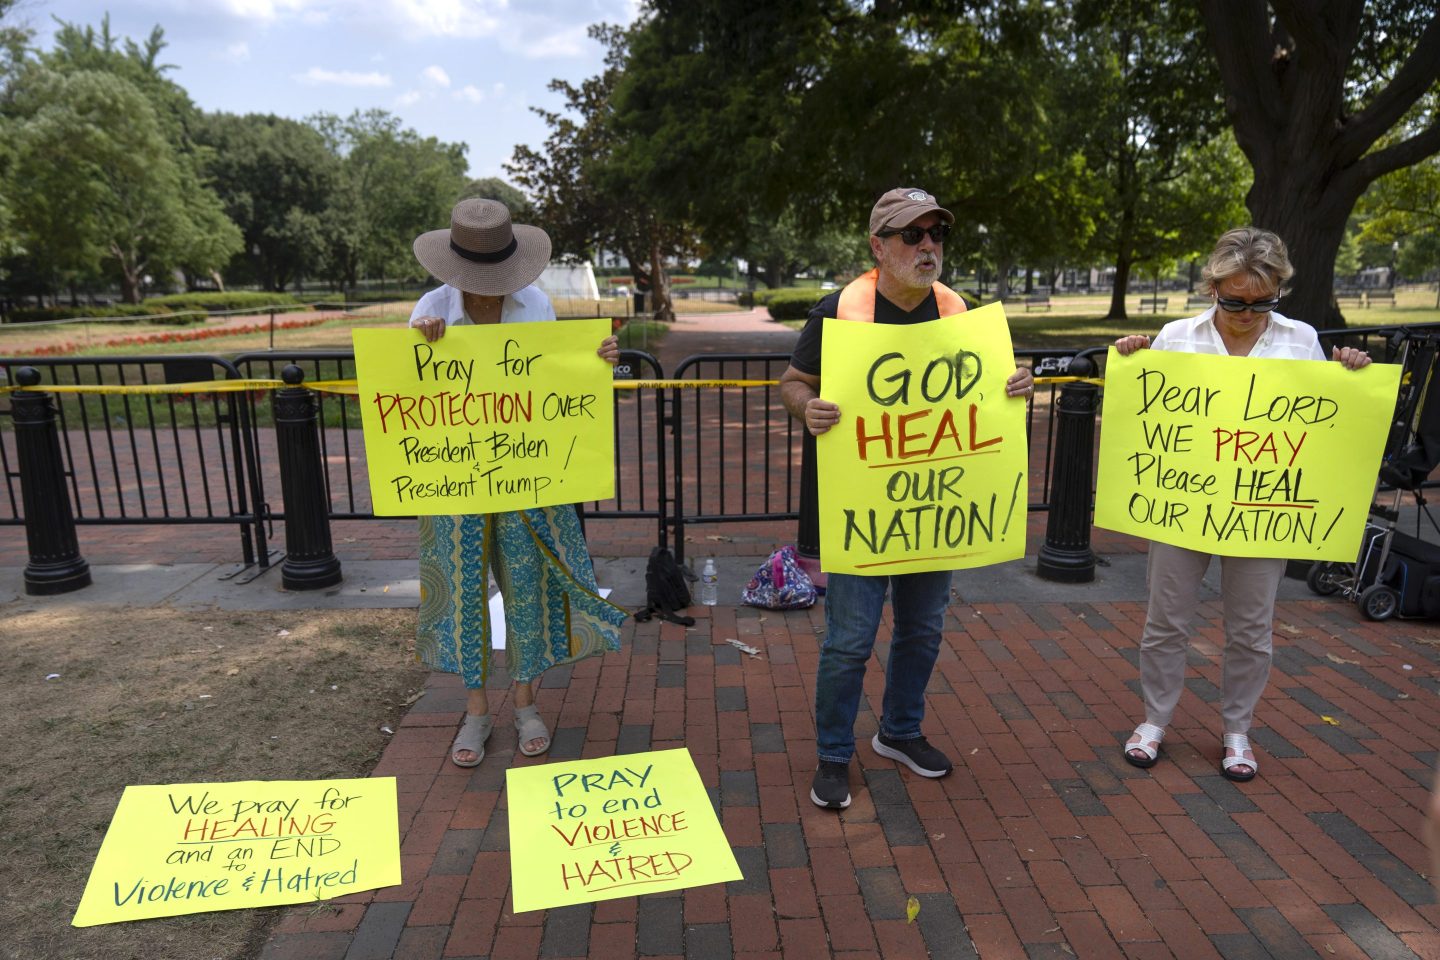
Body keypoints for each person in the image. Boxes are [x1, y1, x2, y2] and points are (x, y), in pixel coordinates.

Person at [779, 187, 1035, 809]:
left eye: (936, 234)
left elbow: (979, 394)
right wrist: (805, 408)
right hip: (863, 510)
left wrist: (1013, 386)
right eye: (911, 235)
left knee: (922, 629)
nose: (927, 247)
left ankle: (899, 732)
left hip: (935, 511)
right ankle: (835, 754)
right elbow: (793, 382)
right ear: (878, 245)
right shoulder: (839, 311)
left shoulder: (955, 311)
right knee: (850, 639)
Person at [1115, 226, 1371, 782]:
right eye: (1234, 300)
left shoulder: (1300, 339)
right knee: (1165, 621)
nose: (1247, 312)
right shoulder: (1177, 336)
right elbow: (1146, 414)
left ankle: (1237, 730)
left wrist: (1349, 372)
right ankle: (1154, 721)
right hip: (1184, 504)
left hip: (1261, 513)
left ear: (1278, 290)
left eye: (1262, 301)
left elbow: (1323, 424)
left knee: (1252, 629)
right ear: (1212, 288)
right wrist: (1135, 358)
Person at [408, 198, 628, 767]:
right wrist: (420, 344)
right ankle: (476, 711)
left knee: (525, 588)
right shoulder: (430, 308)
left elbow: (554, 380)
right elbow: (411, 394)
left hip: (524, 476)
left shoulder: (535, 305)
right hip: (455, 479)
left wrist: (598, 359)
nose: (487, 290)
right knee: (463, 593)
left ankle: (527, 704)